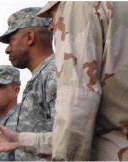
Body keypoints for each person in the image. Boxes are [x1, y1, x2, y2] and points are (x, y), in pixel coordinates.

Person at [36, 1, 128, 161]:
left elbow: (77, 100)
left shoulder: (78, 4)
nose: (50, 27)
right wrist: (21, 139)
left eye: (52, 16)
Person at [0, 7, 56, 161]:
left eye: (11, 40)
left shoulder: (53, 74)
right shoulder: (41, 76)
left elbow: (69, 141)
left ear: (29, 37)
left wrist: (20, 140)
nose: (7, 49)